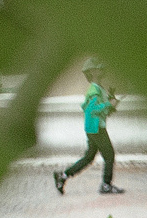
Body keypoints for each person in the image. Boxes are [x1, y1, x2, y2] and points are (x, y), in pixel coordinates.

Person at [53, 60, 123, 194]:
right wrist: (109, 104)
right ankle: (106, 185)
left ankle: (63, 176)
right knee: (109, 155)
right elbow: (91, 110)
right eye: (99, 68)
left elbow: (97, 110)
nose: (102, 70)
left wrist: (110, 106)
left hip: (93, 127)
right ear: (92, 72)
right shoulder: (94, 89)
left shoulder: (98, 88)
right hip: (96, 129)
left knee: (89, 157)